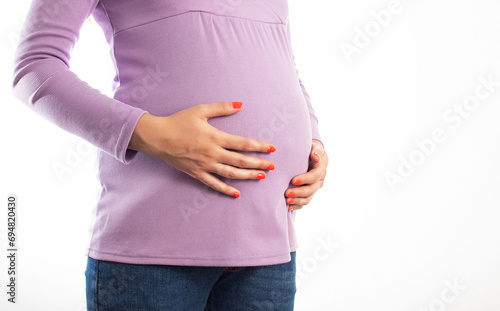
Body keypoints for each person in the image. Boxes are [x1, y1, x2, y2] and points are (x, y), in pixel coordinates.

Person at [12, 0, 328, 309]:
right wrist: (154, 133)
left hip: (271, 244)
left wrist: (312, 142)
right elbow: (34, 67)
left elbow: (283, 61)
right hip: (153, 256)